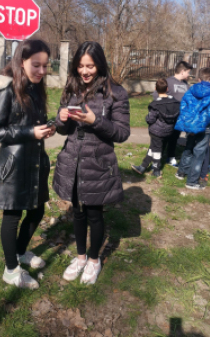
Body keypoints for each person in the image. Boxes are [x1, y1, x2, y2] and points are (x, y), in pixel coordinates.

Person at [53, 41, 130, 285]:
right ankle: (80, 256)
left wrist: (96, 120)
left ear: (100, 65)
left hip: (98, 164)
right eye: (80, 66)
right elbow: (62, 130)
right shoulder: (72, 88)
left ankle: (94, 260)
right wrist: (61, 118)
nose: (85, 72)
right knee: (77, 212)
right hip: (73, 162)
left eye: (90, 66)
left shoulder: (116, 93)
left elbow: (122, 133)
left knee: (95, 215)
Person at [0, 40, 56, 289]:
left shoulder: (35, 89)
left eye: (46, 66)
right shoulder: (6, 91)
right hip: (13, 166)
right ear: (20, 61)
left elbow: (31, 125)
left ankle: (21, 252)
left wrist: (48, 128)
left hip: (35, 163)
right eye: (36, 65)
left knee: (37, 210)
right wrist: (29, 133)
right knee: (12, 215)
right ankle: (11, 269)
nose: (42, 71)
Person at [174, 67, 210, 190]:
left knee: (189, 147)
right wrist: (205, 124)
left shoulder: (191, 89)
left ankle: (181, 172)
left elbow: (184, 104)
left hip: (191, 124)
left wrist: (188, 120)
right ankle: (192, 181)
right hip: (204, 126)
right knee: (199, 154)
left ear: (199, 78)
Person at [131, 78, 180, 177]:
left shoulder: (155, 104)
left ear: (155, 89)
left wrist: (147, 117)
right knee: (153, 148)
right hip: (169, 130)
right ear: (167, 89)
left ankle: (156, 170)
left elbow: (150, 119)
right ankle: (143, 166)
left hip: (157, 131)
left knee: (156, 150)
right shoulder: (175, 102)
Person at [153, 61, 193, 166]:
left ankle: (170, 157)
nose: (189, 74)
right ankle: (157, 159)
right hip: (168, 117)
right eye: (188, 72)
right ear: (183, 71)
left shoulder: (185, 84)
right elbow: (156, 95)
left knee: (174, 138)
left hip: (179, 118)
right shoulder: (168, 82)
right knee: (164, 138)